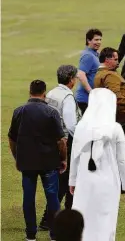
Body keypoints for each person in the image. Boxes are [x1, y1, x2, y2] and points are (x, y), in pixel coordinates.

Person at [69, 88, 125, 241]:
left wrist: (72, 180)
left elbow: (74, 156)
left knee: (83, 216)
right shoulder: (115, 128)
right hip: (108, 181)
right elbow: (123, 159)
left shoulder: (81, 126)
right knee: (106, 218)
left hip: (84, 180)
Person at [8, 80, 67, 241]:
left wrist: (17, 157)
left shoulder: (18, 111)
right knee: (52, 197)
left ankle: (31, 234)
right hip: (49, 162)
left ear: (30, 92)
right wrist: (63, 159)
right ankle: (54, 234)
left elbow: (11, 138)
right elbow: (61, 140)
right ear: (44, 93)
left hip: (27, 162)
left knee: (28, 197)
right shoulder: (51, 112)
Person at [39, 65, 82, 230]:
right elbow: (71, 125)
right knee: (69, 181)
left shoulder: (51, 93)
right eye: (75, 78)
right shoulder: (67, 97)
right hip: (66, 143)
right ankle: (60, 219)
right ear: (71, 80)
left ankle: (47, 219)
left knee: (58, 183)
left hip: (50, 142)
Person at [75, 28, 102, 114]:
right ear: (88, 40)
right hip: (85, 100)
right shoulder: (88, 56)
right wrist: (91, 92)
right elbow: (81, 74)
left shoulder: (95, 54)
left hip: (90, 100)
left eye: (100, 40)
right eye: (96, 40)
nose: (99, 42)